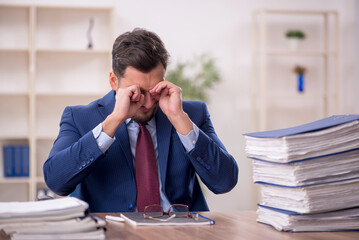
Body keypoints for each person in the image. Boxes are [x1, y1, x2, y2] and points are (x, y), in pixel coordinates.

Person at [43, 28, 238, 213]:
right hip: (113, 231)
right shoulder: (79, 117)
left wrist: (179, 120)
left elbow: (224, 182)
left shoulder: (193, 114)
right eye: (136, 91)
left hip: (180, 230)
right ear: (113, 81)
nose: (146, 102)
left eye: (154, 90)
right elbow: (56, 182)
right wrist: (113, 121)